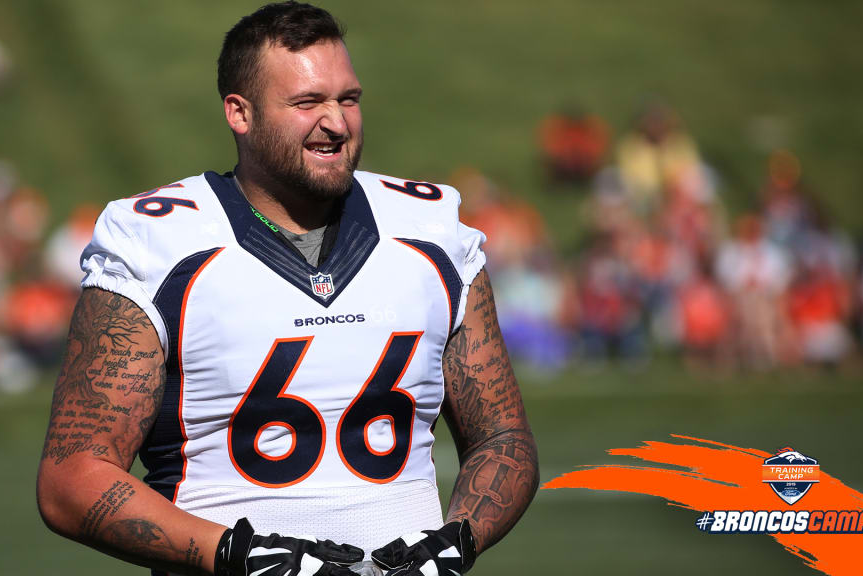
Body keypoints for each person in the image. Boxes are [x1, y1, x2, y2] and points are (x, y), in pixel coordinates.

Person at [36, 3, 538, 576]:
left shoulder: (431, 231)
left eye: (348, 99)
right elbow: (72, 478)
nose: (337, 123)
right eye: (307, 103)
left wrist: (460, 538)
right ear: (239, 113)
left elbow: (503, 437)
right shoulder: (157, 242)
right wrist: (237, 555)